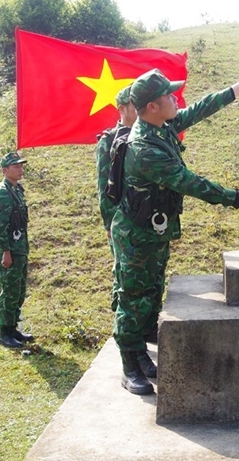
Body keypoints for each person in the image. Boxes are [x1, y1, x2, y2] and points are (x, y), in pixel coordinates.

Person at [112, 68, 239, 396]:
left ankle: (140, 353)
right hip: (136, 237)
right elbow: (189, 183)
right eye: (169, 96)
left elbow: (198, 110)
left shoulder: (161, 126)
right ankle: (128, 364)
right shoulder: (144, 147)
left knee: (150, 292)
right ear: (152, 107)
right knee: (133, 297)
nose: (176, 99)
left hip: (153, 231)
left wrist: (238, 88)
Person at [95, 86, 138, 313]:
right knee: (123, 270)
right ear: (122, 109)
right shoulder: (109, 140)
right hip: (121, 219)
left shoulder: (147, 135)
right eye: (134, 105)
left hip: (141, 218)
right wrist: (108, 222)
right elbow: (104, 186)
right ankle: (121, 318)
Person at [0, 152, 32, 349]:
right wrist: (5, 251)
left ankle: (13, 328)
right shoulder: (3, 193)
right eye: (16, 166)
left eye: (21, 165)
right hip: (9, 250)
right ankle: (4, 332)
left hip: (19, 248)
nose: (20, 169)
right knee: (9, 290)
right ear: (5, 170)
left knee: (19, 289)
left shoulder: (16, 190)